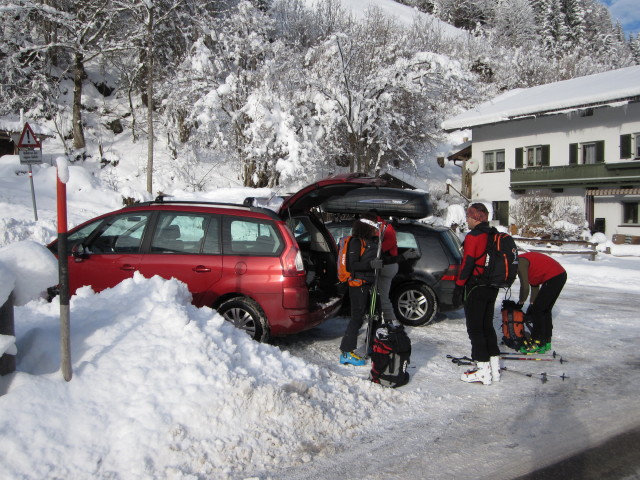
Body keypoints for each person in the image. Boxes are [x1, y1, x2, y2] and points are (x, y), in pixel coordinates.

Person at [453, 203, 501, 385]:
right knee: (487, 326)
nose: (466, 219)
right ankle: (494, 367)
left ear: (476, 218)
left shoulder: (474, 237)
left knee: (475, 329)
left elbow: (467, 264)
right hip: (492, 286)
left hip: (476, 286)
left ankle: (482, 370)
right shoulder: (494, 235)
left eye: (469, 216)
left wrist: (459, 287)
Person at [339, 214, 380, 366]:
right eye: (374, 226)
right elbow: (352, 265)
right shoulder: (356, 242)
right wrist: (371, 265)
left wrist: (401, 258)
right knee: (357, 318)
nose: (376, 229)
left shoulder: (371, 242)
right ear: (367, 227)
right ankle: (346, 352)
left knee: (375, 315)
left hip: (370, 283)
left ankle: (371, 344)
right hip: (357, 285)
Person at [368, 211, 420, 327]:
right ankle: (384, 318)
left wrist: (371, 250)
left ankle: (389, 320)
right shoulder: (385, 226)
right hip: (388, 264)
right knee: (380, 294)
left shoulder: (381, 227)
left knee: (382, 295)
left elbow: (381, 249)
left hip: (386, 265)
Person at [517, 251, 567, 354]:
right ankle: (546, 341)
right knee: (545, 310)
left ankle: (537, 342)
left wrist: (521, 302)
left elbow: (525, 287)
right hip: (560, 275)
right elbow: (534, 286)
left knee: (538, 311)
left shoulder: (520, 262)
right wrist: (532, 303)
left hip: (554, 276)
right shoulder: (525, 262)